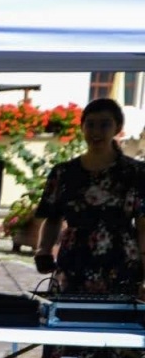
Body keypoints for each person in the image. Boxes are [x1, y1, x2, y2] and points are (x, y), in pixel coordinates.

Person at [32, 97, 145, 294]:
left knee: (118, 322)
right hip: (73, 261)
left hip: (121, 262)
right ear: (82, 127)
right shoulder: (63, 173)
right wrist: (44, 250)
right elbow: (53, 218)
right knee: (68, 320)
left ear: (117, 128)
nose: (96, 131)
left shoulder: (136, 173)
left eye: (104, 124)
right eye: (90, 124)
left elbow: (144, 226)